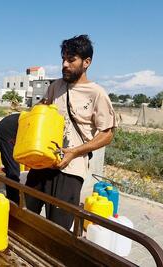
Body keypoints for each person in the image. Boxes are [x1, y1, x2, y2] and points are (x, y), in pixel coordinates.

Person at [25, 34, 117, 230]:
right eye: (63, 59)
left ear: (87, 62)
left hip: (71, 170)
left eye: (71, 59)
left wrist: (75, 152)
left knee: (58, 229)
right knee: (25, 216)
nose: (65, 64)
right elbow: (41, 114)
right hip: (42, 163)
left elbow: (107, 133)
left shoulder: (97, 94)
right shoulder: (55, 86)